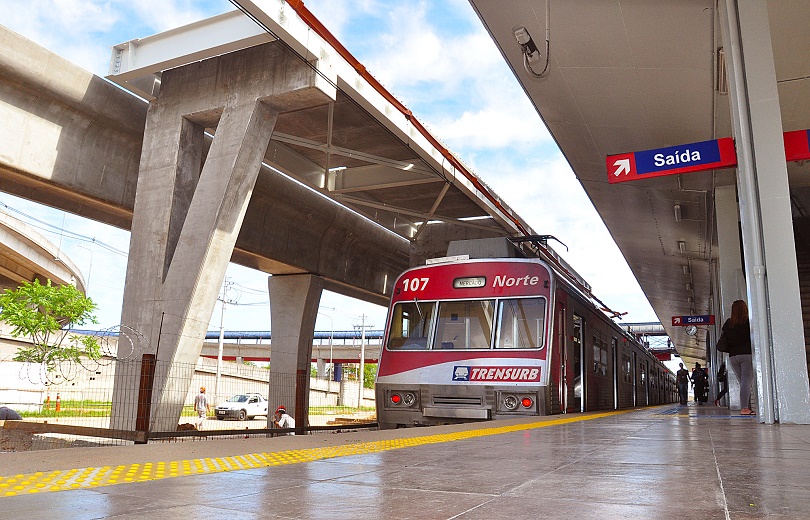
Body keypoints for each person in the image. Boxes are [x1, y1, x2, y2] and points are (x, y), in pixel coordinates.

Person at [722, 299, 755, 415]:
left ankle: (747, 407)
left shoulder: (728, 323)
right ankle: (745, 408)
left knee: (743, 382)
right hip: (747, 355)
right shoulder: (748, 322)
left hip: (733, 357)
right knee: (746, 382)